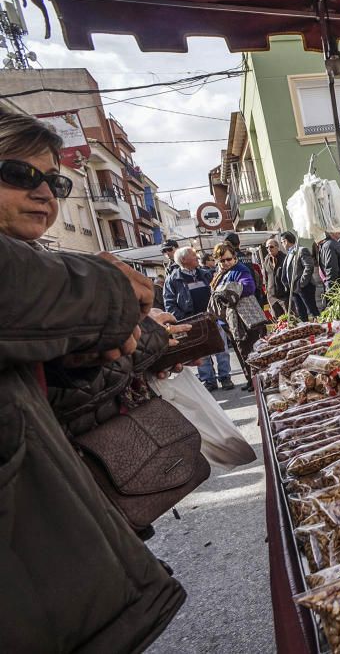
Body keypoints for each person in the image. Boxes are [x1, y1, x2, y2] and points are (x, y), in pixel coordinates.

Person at [0, 107, 185, 650]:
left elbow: (50, 398)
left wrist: (139, 344)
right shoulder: (34, 279)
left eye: (54, 181)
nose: (44, 194)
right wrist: (117, 300)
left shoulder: (38, 276)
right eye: (18, 174)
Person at [165, 246, 234, 391]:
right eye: (194, 256)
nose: (197, 258)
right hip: (191, 322)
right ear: (183, 260)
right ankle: (208, 380)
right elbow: (169, 303)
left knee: (221, 348)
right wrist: (183, 320)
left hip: (212, 317)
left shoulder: (206, 274)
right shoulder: (173, 280)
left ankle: (225, 377)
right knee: (200, 352)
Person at [210, 242, 264, 390]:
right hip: (229, 320)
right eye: (222, 260)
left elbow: (249, 287)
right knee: (241, 351)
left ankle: (257, 381)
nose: (226, 262)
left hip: (244, 319)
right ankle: (250, 380)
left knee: (249, 350)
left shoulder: (240, 269)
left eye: (229, 259)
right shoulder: (220, 273)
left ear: (234, 257)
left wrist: (226, 291)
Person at [279, 230, 320, 319]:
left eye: (282, 242)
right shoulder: (288, 254)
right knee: (302, 314)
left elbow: (309, 266)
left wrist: (301, 283)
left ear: (286, 241)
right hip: (294, 290)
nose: (282, 244)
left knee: (313, 311)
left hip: (304, 287)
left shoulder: (301, 250)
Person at [262, 238, 289, 318]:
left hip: (283, 295)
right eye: (267, 247)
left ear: (277, 247)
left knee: (289, 318)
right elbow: (265, 276)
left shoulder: (284, 258)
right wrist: (267, 290)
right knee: (277, 319)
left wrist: (287, 288)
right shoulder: (266, 260)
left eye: (271, 247)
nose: (269, 249)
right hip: (272, 296)